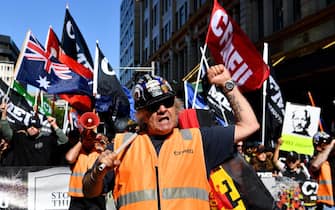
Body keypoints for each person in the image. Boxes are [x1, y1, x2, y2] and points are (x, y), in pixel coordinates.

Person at [82, 64, 259, 209]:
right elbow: (89, 191)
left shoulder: (198, 139)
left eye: (167, 102)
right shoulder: (123, 145)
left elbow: (249, 125)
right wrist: (97, 172)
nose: (162, 109)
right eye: (153, 106)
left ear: (176, 107)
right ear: (142, 114)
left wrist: (228, 84)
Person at [0, 102, 68, 166]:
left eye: (35, 126)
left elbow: (64, 140)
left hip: (41, 175)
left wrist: (54, 125)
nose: (32, 128)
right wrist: (4, 113)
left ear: (39, 129)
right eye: (30, 126)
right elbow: (6, 132)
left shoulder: (47, 139)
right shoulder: (20, 138)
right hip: (22, 175)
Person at [66, 112, 109, 210]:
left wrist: (103, 145)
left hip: (96, 196)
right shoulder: (77, 151)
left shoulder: (99, 150)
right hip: (77, 197)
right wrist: (81, 140)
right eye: (86, 137)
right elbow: (69, 158)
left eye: (91, 137)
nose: (88, 139)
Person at [309, 131, 335, 209]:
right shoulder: (317, 160)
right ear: (319, 147)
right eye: (327, 143)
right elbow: (315, 165)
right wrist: (331, 145)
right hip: (327, 205)